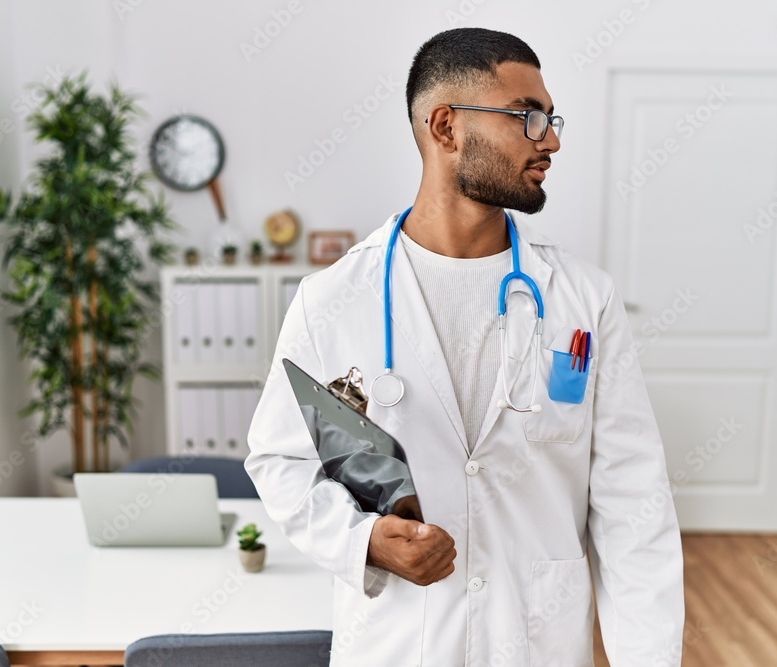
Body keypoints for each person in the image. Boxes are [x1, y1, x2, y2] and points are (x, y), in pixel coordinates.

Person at [246, 27, 684, 666]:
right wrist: (364, 540)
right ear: (446, 127)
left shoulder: (584, 299)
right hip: (401, 641)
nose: (552, 140)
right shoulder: (331, 299)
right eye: (528, 118)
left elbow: (632, 503)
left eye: (551, 118)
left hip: (538, 642)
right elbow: (279, 461)